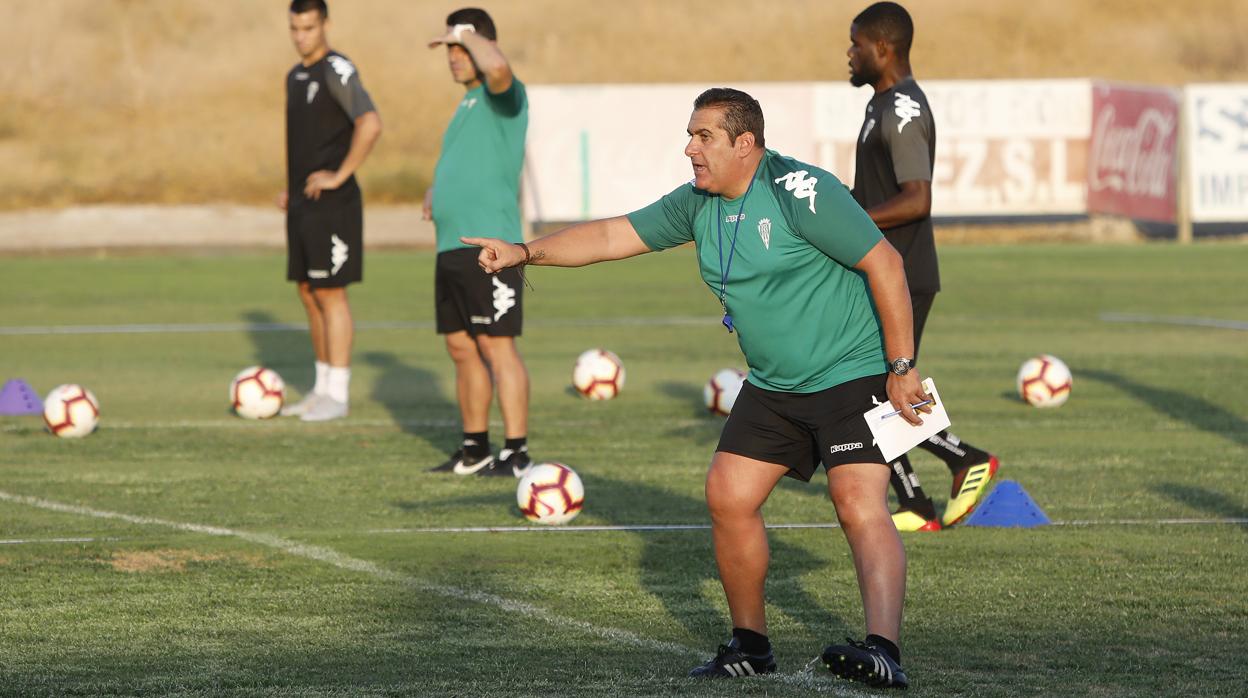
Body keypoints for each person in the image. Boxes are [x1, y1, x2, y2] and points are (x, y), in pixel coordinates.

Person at [464, 88, 920, 689]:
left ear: (745, 144)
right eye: (690, 135)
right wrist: (526, 252)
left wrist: (901, 366)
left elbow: (884, 263)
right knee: (728, 496)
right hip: (774, 385)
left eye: (704, 137)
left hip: (851, 371)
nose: (690, 149)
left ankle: (883, 649)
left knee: (857, 503)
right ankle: (750, 645)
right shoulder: (697, 203)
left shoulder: (799, 190)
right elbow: (608, 238)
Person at [848, 1, 999, 531]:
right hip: (886, 271)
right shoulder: (882, 104)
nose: (850, 54)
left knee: (877, 389)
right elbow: (877, 194)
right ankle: (914, 502)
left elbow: (916, 200)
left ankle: (964, 459)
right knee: (867, 390)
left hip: (903, 273)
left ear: (882, 49)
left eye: (856, 45)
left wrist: (851, 223)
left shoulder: (904, 109)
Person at [425, 8, 532, 478]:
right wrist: (437, 189)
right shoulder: (465, 105)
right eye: (448, 50)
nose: (452, 58)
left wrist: (472, 38)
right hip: (450, 247)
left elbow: (499, 69)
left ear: (481, 46)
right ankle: (474, 449)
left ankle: (515, 451)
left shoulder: (504, 95)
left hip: (491, 250)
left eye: (459, 49)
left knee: (497, 347)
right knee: (461, 348)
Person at [277, 0, 382, 422]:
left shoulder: (338, 70)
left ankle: (338, 393)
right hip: (303, 203)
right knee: (308, 291)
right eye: (295, 28)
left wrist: (338, 175)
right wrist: (291, 189)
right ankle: (320, 390)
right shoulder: (294, 76)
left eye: (309, 27)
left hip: (334, 205)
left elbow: (370, 123)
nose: (301, 36)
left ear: (325, 25)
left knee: (331, 292)